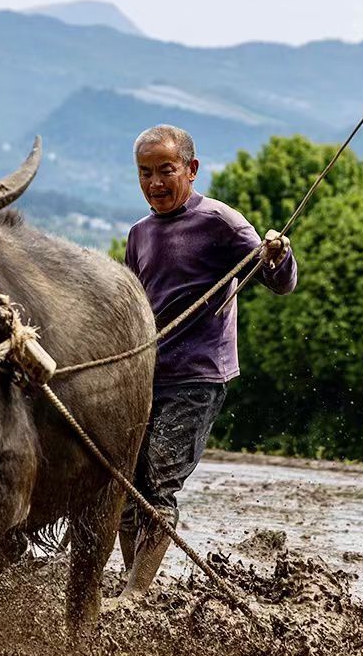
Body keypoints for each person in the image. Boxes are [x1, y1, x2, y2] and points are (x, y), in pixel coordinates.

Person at [119, 124, 297, 594]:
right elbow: (131, 306)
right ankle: (130, 581)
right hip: (144, 375)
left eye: (166, 171)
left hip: (197, 375)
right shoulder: (138, 235)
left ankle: (135, 595)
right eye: (145, 173)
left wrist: (278, 255)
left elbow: (278, 281)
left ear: (191, 170)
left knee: (159, 480)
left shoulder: (221, 221)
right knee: (123, 486)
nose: (155, 182)